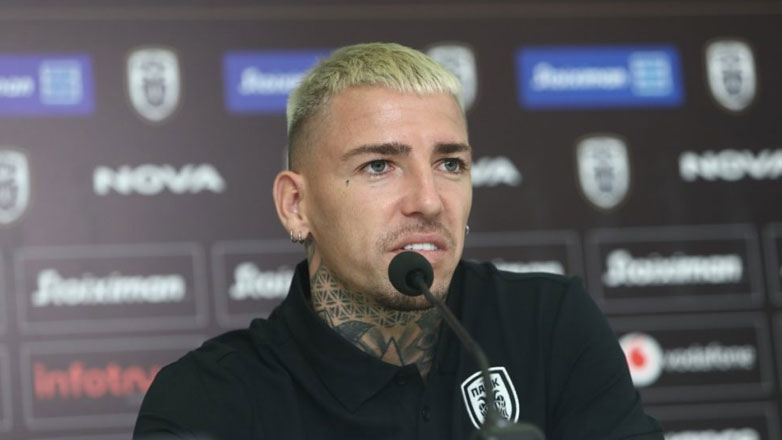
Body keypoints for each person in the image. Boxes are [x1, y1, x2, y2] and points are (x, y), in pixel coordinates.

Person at [133, 42, 663, 440]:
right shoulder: (207, 402)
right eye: (379, 166)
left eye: (450, 164)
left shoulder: (551, 325)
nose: (429, 201)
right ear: (297, 206)